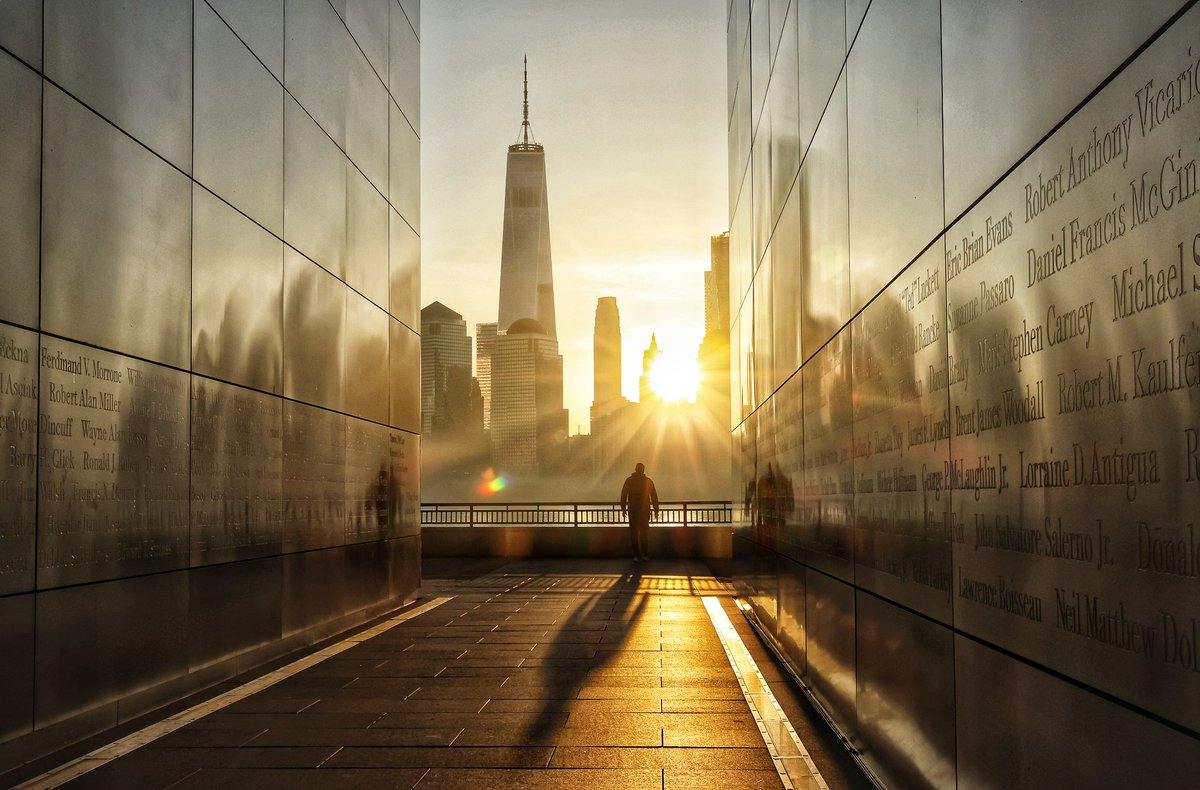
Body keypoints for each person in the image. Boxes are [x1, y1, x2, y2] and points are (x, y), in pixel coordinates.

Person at [620, 462, 659, 562]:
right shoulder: (648, 481)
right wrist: (656, 510)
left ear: (635, 469)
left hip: (632, 510)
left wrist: (623, 509)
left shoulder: (629, 481)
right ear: (643, 470)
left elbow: (623, 496)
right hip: (645, 511)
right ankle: (644, 554)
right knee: (644, 533)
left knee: (634, 533)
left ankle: (636, 556)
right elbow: (654, 496)